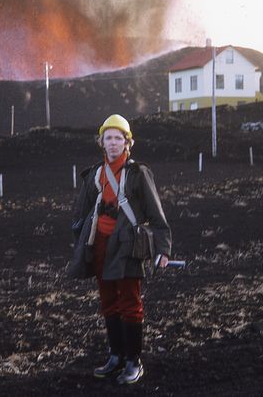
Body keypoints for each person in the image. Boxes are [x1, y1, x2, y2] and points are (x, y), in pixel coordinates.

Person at [69, 114, 172, 385]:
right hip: (100, 245)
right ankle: (115, 356)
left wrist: (163, 249)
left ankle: (133, 362)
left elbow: (157, 216)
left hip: (127, 247)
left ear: (127, 143)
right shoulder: (94, 175)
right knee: (108, 302)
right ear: (101, 142)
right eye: (108, 138)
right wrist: (82, 246)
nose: (113, 143)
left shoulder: (138, 174)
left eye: (118, 138)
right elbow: (81, 215)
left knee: (129, 303)